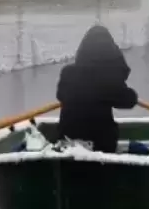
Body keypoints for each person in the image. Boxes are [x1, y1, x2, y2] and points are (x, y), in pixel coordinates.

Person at [55, 24, 139, 153]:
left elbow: (60, 95)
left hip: (66, 142)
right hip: (99, 145)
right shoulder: (108, 78)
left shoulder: (67, 72)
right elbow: (129, 100)